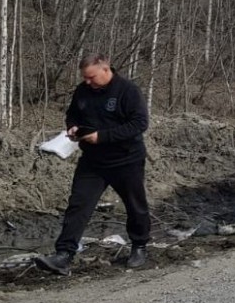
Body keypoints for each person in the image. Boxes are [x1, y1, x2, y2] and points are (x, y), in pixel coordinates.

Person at [34, 54, 151, 276]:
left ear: (106, 70)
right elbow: (73, 114)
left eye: (91, 77)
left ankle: (139, 246)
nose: (88, 82)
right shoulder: (83, 91)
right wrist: (72, 127)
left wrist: (103, 137)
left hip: (126, 160)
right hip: (93, 161)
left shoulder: (128, 91)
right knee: (78, 205)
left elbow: (139, 123)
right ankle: (64, 255)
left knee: (135, 205)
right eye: (85, 78)